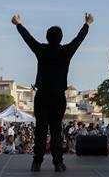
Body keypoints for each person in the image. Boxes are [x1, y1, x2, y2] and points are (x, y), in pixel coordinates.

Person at [11, 12, 93, 172]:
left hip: (42, 95)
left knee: (40, 130)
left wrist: (18, 24)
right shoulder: (66, 51)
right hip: (58, 97)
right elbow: (78, 40)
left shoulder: (41, 50)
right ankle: (58, 163)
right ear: (60, 38)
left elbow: (28, 39)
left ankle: (37, 163)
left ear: (47, 37)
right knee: (56, 131)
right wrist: (87, 24)